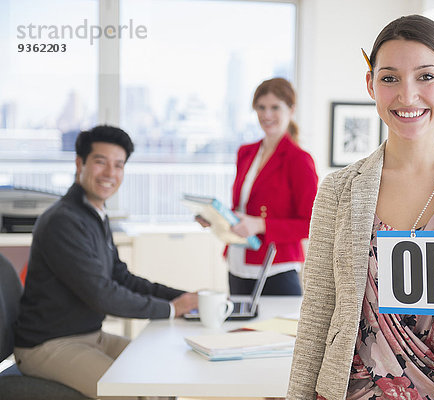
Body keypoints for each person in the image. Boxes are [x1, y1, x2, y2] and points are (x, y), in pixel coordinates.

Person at [287, 15, 434, 400]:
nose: (408, 96)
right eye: (390, 78)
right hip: (356, 390)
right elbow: (316, 314)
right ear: (371, 84)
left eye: (426, 77)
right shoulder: (339, 189)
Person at [13, 125, 198, 399]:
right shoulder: (63, 221)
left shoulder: (94, 212)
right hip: (48, 345)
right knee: (132, 393)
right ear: (80, 163)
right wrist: (170, 309)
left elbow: (121, 277)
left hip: (90, 336)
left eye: (119, 165)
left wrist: (181, 297)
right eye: (101, 162)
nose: (110, 173)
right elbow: (102, 294)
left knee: (162, 375)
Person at [198, 78, 318, 296]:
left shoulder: (299, 159)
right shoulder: (246, 152)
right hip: (238, 262)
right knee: (239, 329)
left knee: (275, 331)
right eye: (261, 107)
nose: (267, 115)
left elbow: (311, 224)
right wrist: (217, 218)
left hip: (276, 267)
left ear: (291, 110)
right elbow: (244, 209)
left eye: (275, 107)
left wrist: (261, 225)